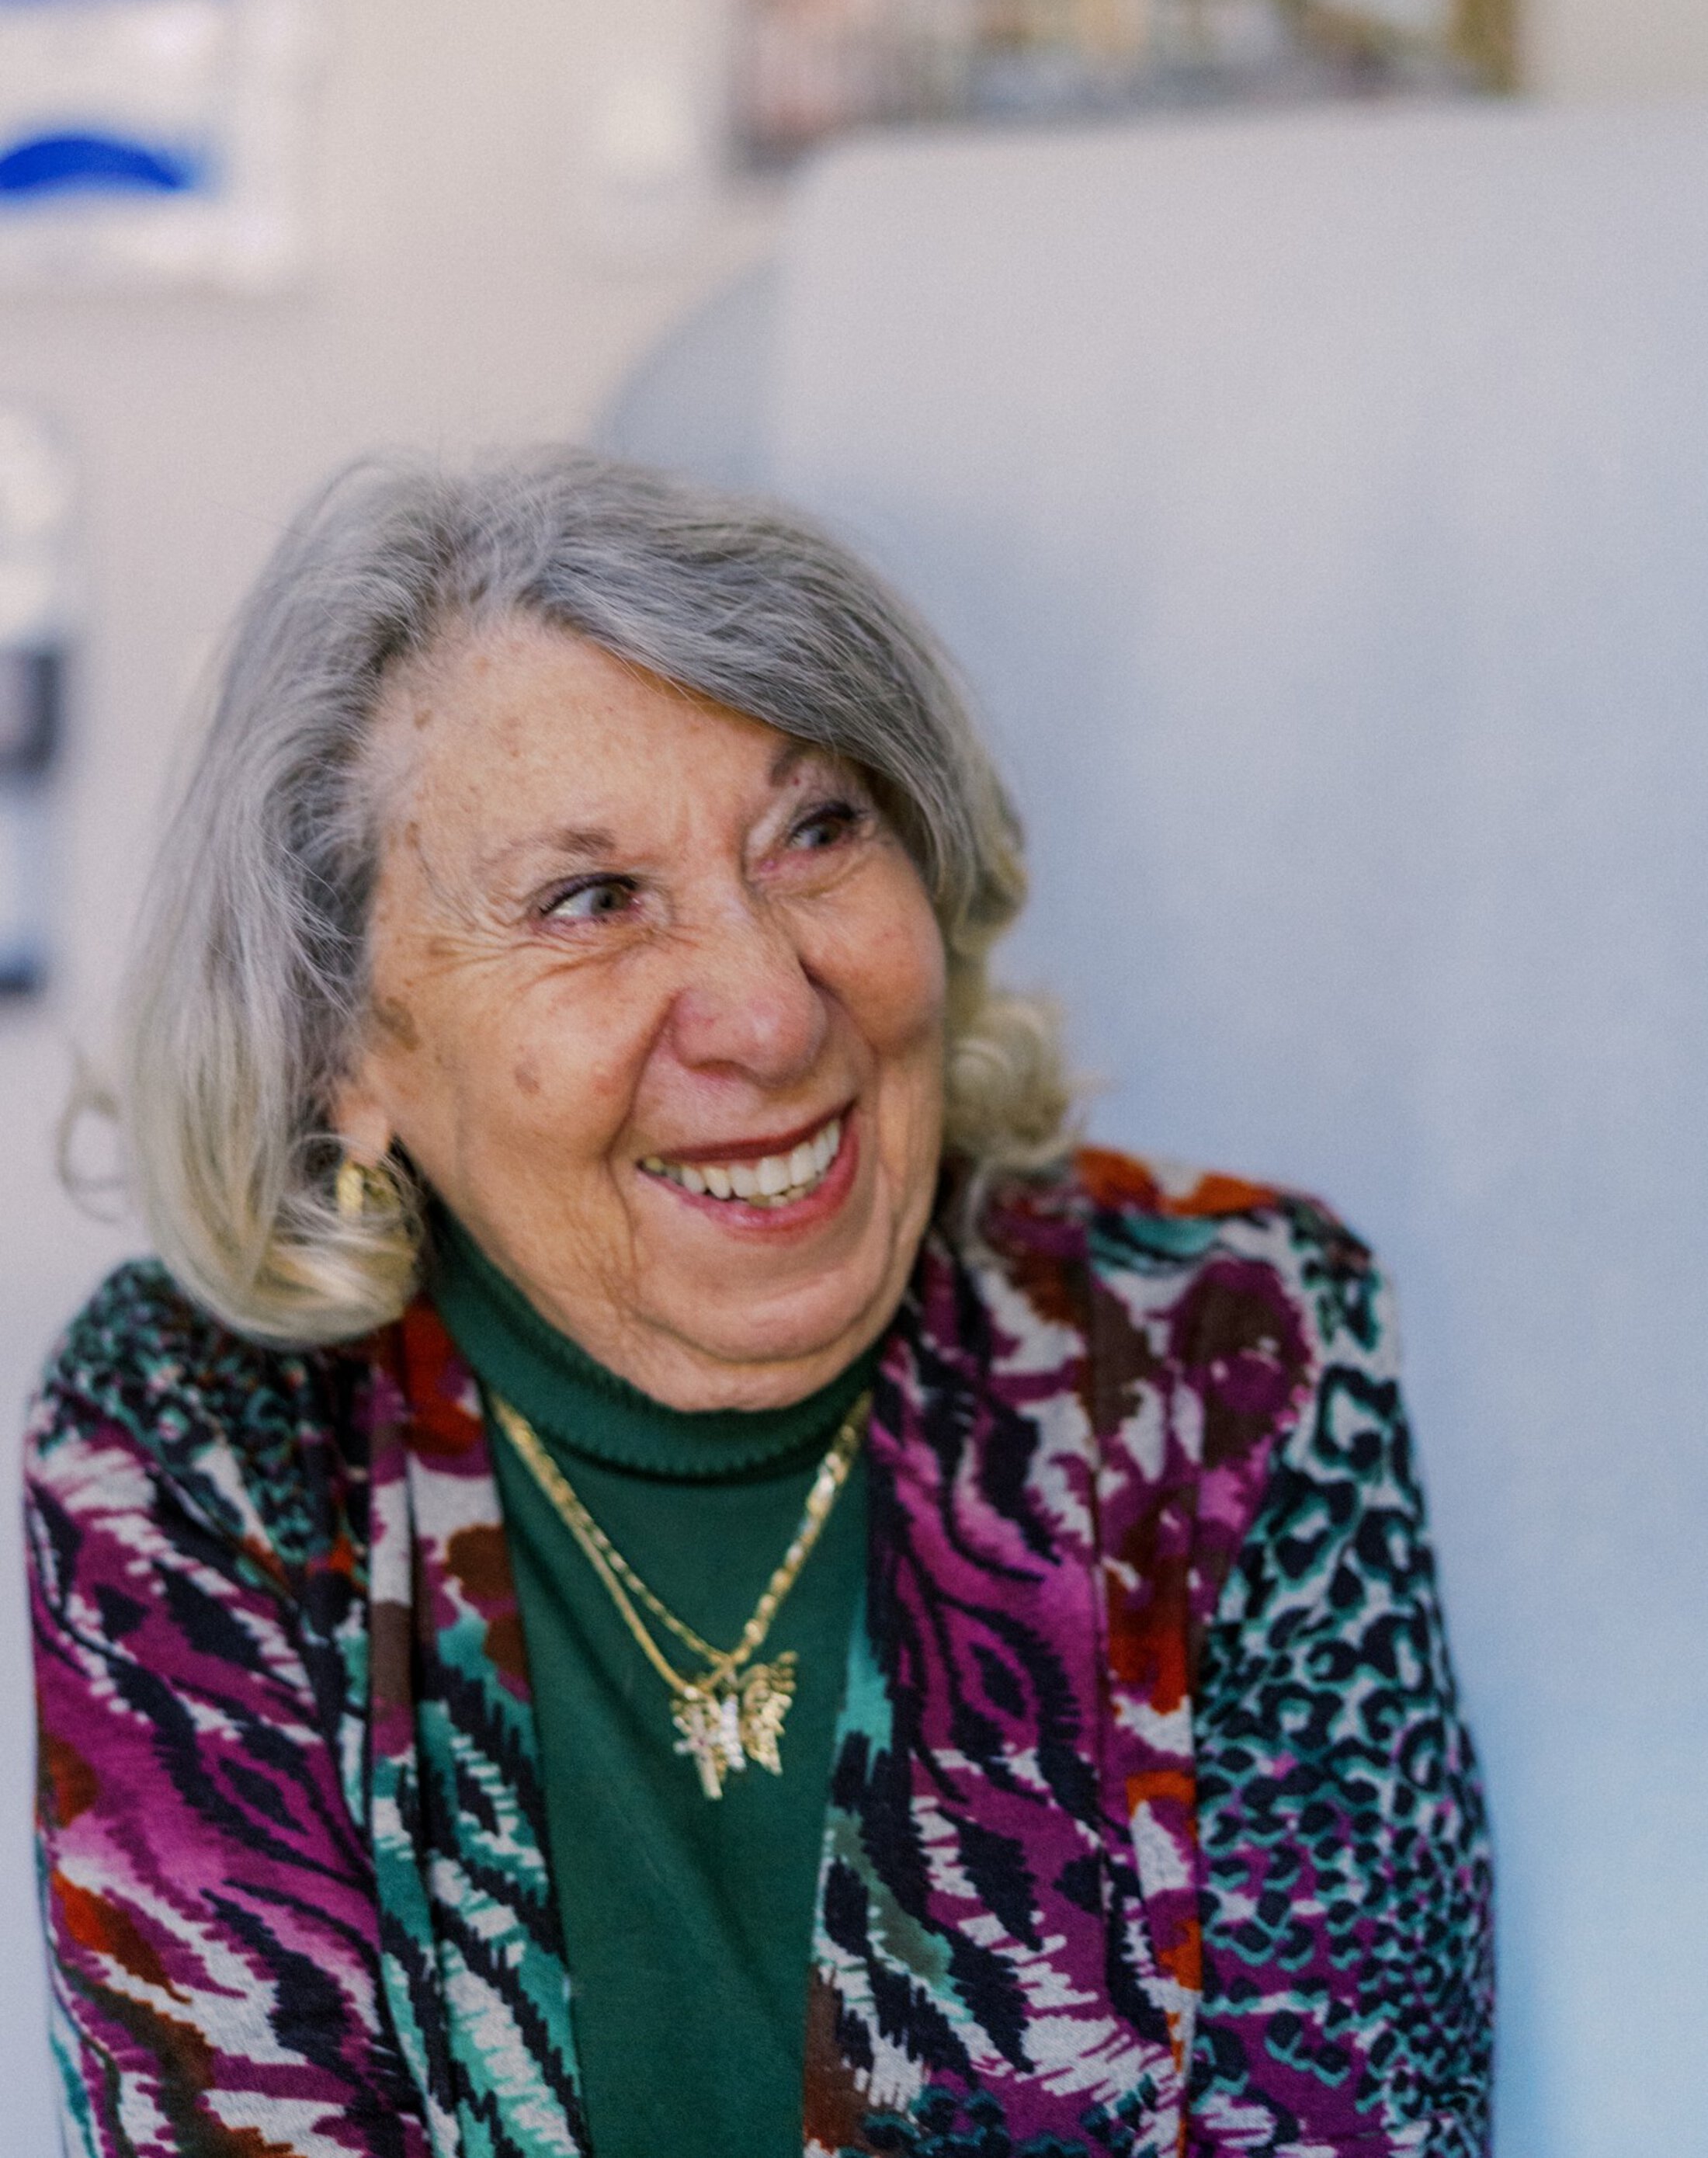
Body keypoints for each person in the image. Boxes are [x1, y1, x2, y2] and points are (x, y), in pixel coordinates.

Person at [27, 453, 1492, 2158]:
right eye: (589, 901)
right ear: (349, 1049)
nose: (768, 1013)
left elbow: (1360, 2116)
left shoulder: (1221, 1353)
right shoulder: (201, 1429)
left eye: (813, 831)